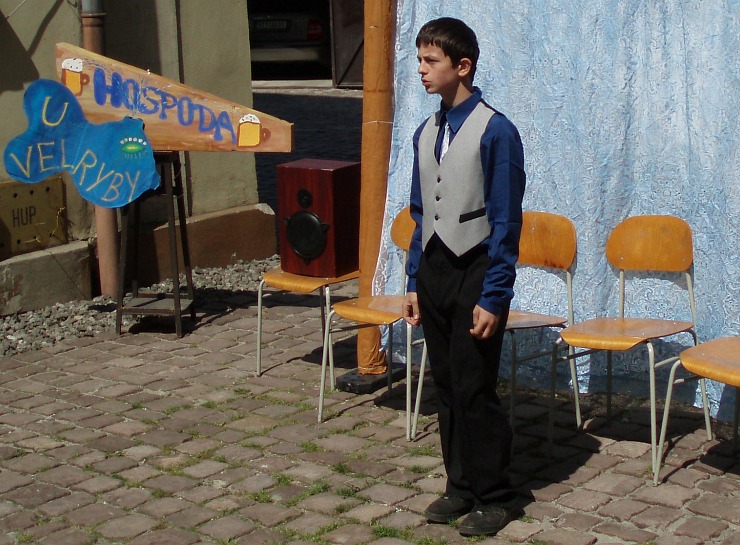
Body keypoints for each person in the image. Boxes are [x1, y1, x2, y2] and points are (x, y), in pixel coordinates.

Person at [401, 17, 526, 537]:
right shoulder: (426, 131)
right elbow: (420, 212)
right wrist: (413, 280)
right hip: (434, 268)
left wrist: (495, 295)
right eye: (420, 59)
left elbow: (506, 220)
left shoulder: (496, 131)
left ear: (463, 66)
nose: (421, 69)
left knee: (474, 385)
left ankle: (495, 494)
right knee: (447, 383)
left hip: (476, 269)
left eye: (431, 60)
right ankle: (460, 483)